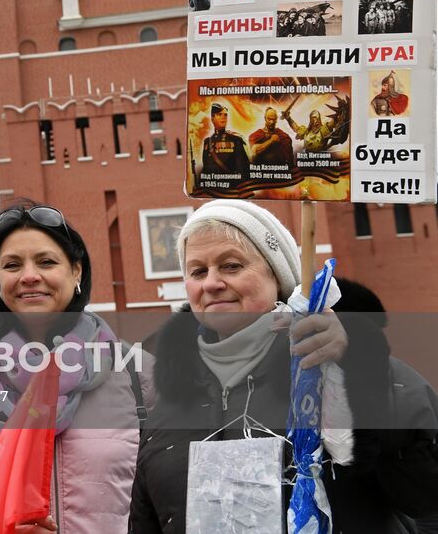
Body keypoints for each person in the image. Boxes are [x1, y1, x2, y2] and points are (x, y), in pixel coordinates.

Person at [129, 200, 438, 533]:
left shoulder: (339, 369)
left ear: (277, 276)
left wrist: (359, 369)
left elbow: (425, 496)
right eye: (198, 272)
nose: (211, 283)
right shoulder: (165, 409)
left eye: (231, 266)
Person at [0, 204, 152, 533]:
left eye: (46, 262)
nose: (29, 276)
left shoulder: (136, 372)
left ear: (77, 271)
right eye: (12, 265)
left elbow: (170, 495)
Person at [199, 103, 249, 183]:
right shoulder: (207, 142)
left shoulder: (236, 139)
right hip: (213, 186)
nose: (223, 117)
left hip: (231, 186)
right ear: (212, 118)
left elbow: (243, 169)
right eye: (219, 114)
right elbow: (206, 168)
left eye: (225, 115)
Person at [247, 107, 295, 179]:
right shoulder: (257, 135)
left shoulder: (281, 134)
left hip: (279, 172)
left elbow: (288, 150)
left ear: (276, 120)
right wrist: (271, 141)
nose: (272, 122)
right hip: (262, 172)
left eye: (273, 119)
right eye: (269, 119)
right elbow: (255, 150)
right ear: (265, 118)